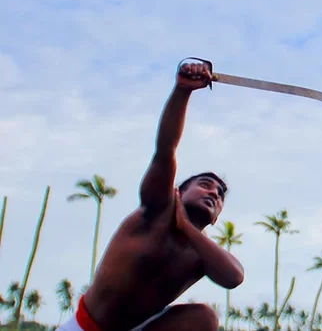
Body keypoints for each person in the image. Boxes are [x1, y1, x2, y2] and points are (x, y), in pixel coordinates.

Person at [59, 62, 244, 331]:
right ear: (178, 193)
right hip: (85, 327)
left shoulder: (201, 255)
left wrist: (188, 231)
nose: (214, 193)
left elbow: (234, 277)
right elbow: (165, 149)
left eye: (220, 195)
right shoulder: (157, 210)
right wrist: (183, 91)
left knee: (204, 318)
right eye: (206, 185)